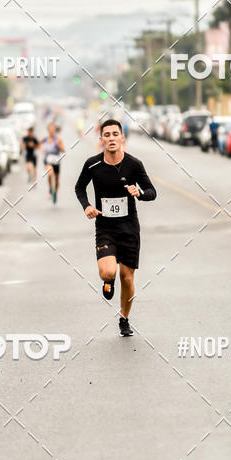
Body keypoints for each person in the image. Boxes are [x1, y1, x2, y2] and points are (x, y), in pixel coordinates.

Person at [75, 118, 157, 337]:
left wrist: (139, 193)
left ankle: (124, 318)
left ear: (122, 137)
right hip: (105, 228)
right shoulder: (92, 164)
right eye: (107, 135)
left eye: (115, 134)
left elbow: (152, 192)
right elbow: (79, 188)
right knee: (108, 271)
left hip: (129, 228)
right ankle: (107, 281)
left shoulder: (134, 164)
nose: (111, 138)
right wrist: (87, 207)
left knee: (128, 278)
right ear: (101, 139)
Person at [42, 122, 65, 203]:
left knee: (57, 181)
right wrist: (42, 149)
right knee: (50, 173)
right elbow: (41, 147)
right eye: (50, 129)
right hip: (47, 160)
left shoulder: (58, 139)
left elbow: (63, 150)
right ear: (48, 130)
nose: (52, 131)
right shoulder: (45, 139)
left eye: (53, 129)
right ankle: (50, 189)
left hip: (56, 160)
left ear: (55, 130)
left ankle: (55, 192)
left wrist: (58, 145)